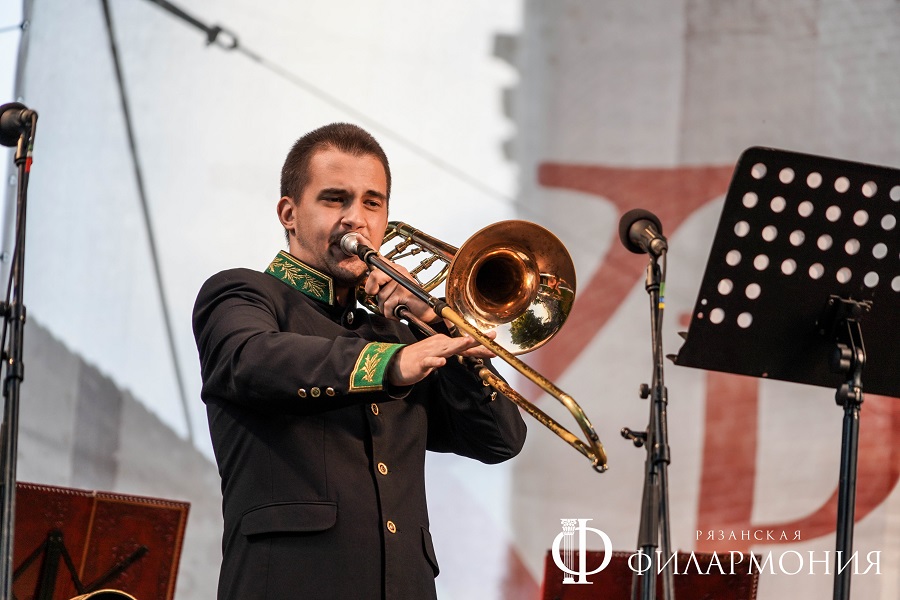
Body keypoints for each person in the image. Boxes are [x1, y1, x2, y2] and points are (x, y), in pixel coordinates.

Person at [192, 122, 527, 600]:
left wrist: (437, 322)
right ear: (289, 213)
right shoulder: (242, 293)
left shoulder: (402, 334)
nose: (356, 218)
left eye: (373, 203)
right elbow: (251, 358)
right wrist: (391, 364)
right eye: (335, 199)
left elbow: (499, 439)